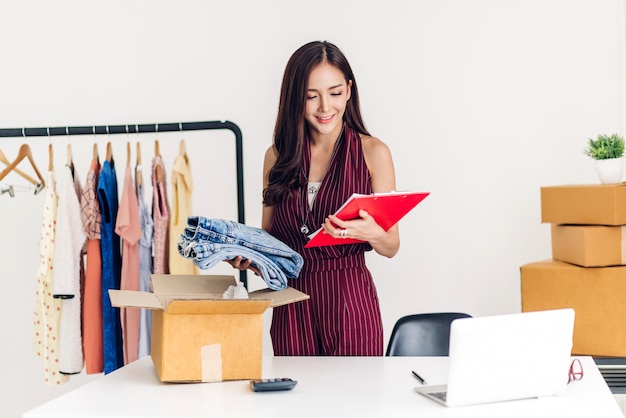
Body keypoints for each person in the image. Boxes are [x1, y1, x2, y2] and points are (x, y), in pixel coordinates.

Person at [234, 40, 399, 356]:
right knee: (295, 402)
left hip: (350, 298)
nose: (325, 107)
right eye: (311, 96)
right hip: (291, 301)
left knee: (353, 399)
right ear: (295, 98)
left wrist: (373, 233)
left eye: (335, 93)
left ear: (349, 90)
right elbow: (270, 239)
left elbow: (391, 245)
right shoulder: (277, 157)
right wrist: (251, 256)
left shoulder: (373, 153)